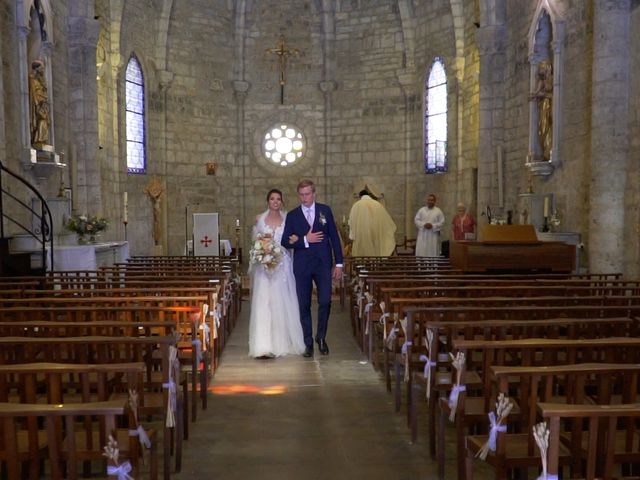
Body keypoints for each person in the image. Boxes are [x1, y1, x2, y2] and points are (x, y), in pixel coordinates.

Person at [281, 179, 344, 357]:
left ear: (314, 194)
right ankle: (308, 342)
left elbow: (333, 237)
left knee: (325, 301)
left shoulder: (325, 210)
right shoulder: (293, 215)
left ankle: (321, 337)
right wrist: (304, 240)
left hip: (323, 264)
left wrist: (338, 263)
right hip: (302, 266)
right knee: (304, 305)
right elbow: (285, 241)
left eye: (307, 194)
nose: (304, 198)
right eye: (301, 194)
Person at [248, 189, 305, 358]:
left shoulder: (288, 219)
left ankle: (281, 342)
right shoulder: (259, 219)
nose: (275, 202)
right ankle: (263, 344)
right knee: (264, 303)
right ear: (267, 201)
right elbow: (255, 242)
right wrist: (262, 255)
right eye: (272, 199)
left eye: (278, 199)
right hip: (264, 268)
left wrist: (293, 241)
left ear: (281, 202)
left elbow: (292, 240)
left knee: (282, 302)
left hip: (282, 266)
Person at [348, 189, 397, 257]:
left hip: (361, 234)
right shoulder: (377, 204)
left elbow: (351, 221)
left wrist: (352, 236)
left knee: (362, 255)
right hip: (375, 233)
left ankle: (363, 266)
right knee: (375, 253)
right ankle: (375, 266)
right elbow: (386, 221)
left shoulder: (356, 205)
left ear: (360, 196)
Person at [531, 59, 553, 161]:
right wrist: (535, 95)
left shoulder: (552, 79)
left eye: (542, 68)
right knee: (542, 129)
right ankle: (544, 151)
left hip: (549, 106)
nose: (540, 70)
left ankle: (548, 152)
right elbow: (536, 93)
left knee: (547, 127)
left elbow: (553, 95)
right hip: (543, 107)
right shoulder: (542, 82)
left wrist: (543, 95)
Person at [29, 60, 50, 148]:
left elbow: (44, 92)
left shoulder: (41, 81)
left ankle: (42, 140)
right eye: (41, 68)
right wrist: (38, 104)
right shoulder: (32, 80)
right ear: (36, 68)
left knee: (44, 122)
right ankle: (38, 139)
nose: (43, 70)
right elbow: (33, 94)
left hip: (43, 105)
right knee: (40, 121)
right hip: (38, 105)